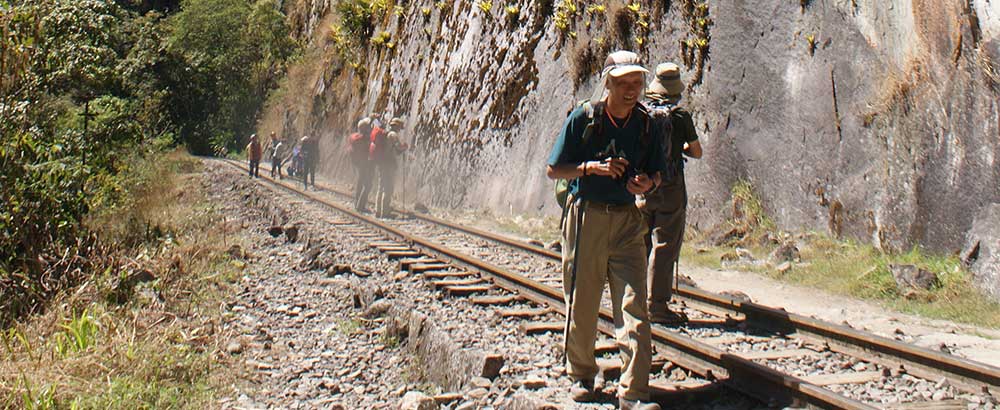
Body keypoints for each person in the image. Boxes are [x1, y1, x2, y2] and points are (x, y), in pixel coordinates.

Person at [545, 50, 665, 410]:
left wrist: (648, 184)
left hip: (629, 219)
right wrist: (590, 169)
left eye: (637, 82)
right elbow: (554, 169)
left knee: (634, 304)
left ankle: (634, 392)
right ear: (608, 83)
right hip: (588, 217)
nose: (632, 89)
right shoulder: (584, 119)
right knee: (583, 299)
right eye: (624, 83)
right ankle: (582, 374)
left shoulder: (647, 124)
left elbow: (658, 172)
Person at [639, 62, 703, 325]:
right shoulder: (680, 117)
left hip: (642, 185)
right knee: (664, 245)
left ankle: (635, 299)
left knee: (640, 242)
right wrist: (681, 148)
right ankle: (657, 305)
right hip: (671, 185)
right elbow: (697, 152)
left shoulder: (639, 113)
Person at [375, 118, 408, 218]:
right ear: (397, 126)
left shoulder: (387, 134)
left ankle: (378, 210)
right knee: (388, 188)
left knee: (381, 187)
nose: (400, 129)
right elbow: (398, 148)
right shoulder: (393, 135)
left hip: (382, 162)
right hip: (389, 163)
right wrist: (404, 147)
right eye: (399, 127)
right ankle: (385, 212)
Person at [350, 118, 375, 212]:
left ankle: (357, 203)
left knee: (360, 183)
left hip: (359, 163)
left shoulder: (355, 137)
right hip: (365, 163)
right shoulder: (364, 138)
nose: (370, 128)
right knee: (367, 184)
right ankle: (360, 205)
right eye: (368, 127)